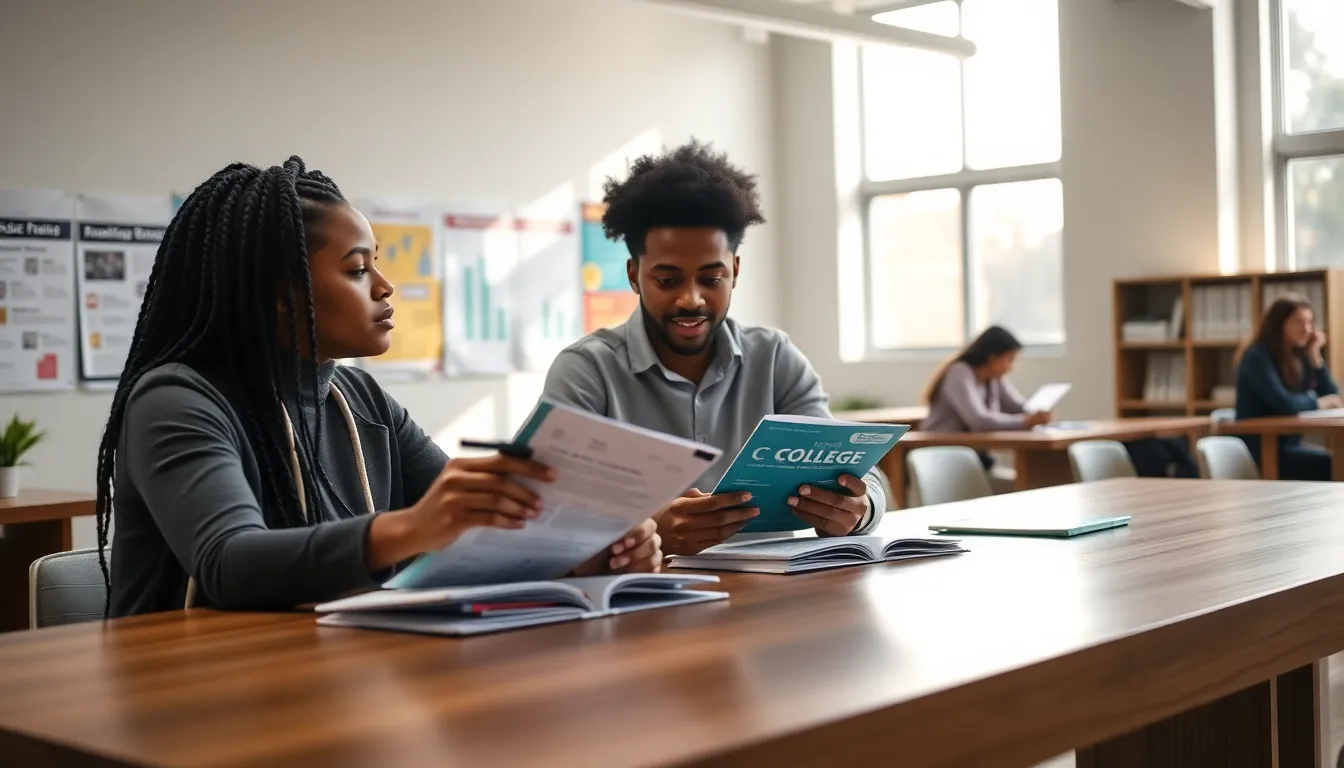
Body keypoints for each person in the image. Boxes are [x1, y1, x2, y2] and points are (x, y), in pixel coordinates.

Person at [95, 157, 660, 618]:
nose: (386, 287)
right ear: (281, 293)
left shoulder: (360, 401)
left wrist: (586, 554)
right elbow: (230, 563)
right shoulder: (176, 400)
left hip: (320, 680)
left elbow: (474, 534)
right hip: (183, 701)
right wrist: (415, 526)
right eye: (358, 268)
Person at [541, 140, 885, 557]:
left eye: (711, 278)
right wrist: (647, 532)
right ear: (634, 276)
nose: (692, 299)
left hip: (773, 600)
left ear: (735, 271)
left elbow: (857, 473)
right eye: (668, 280)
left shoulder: (774, 358)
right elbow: (545, 510)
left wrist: (858, 508)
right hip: (640, 603)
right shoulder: (587, 371)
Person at [1235, 294, 1343, 481]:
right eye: (1299, 322)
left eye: (1310, 322)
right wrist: (1318, 403)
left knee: (1338, 461)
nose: (1307, 330)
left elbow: (1333, 397)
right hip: (1262, 450)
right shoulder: (1257, 356)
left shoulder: (1297, 356)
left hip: (1288, 446)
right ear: (1279, 324)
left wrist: (1315, 357)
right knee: (1335, 465)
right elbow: (1284, 403)